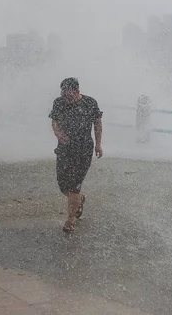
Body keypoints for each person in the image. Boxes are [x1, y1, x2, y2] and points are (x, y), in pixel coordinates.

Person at [49, 78, 103, 232]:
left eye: (68, 93)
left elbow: (97, 124)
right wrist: (58, 133)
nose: (65, 96)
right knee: (63, 185)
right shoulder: (59, 103)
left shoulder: (90, 103)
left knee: (74, 185)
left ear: (77, 91)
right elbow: (54, 121)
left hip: (83, 149)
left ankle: (70, 220)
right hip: (64, 149)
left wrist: (98, 144)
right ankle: (79, 199)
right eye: (63, 93)